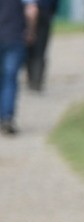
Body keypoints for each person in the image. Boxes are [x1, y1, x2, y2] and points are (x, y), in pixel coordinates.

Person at [0, 0, 36, 135]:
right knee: (10, 78)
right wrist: (30, 31)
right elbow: (32, 11)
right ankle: (7, 117)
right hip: (14, 37)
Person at [22, 0, 51, 92]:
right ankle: (36, 81)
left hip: (26, 13)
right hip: (43, 12)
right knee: (40, 50)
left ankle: (34, 79)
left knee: (30, 48)